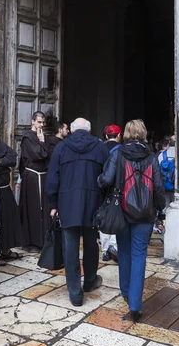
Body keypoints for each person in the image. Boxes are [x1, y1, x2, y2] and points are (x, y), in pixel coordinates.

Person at [98, 119, 165, 322]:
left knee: (124, 253)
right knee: (139, 255)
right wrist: (160, 210)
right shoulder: (151, 156)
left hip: (122, 211)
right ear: (143, 133)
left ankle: (126, 292)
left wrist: (98, 181)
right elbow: (159, 187)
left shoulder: (118, 153)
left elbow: (107, 179)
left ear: (125, 134)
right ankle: (135, 304)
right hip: (145, 214)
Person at [46, 118, 109, 307]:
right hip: (93, 201)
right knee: (91, 243)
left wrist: (53, 203)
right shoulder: (100, 147)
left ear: (72, 130)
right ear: (89, 130)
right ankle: (89, 281)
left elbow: (52, 179)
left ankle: (75, 292)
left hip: (67, 202)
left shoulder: (61, 147)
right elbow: (107, 177)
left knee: (70, 247)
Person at [0, 122, 24, 264]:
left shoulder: (2, 145)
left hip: (5, 190)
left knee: (7, 221)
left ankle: (5, 250)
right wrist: (3, 166)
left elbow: (13, 159)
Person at [19, 111, 50, 252]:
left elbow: (47, 156)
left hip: (42, 176)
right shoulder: (29, 137)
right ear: (32, 121)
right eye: (39, 122)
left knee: (43, 208)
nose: (41, 125)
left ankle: (43, 239)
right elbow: (39, 154)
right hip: (32, 177)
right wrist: (42, 142)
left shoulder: (42, 136)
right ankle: (32, 242)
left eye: (43, 122)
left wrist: (43, 141)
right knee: (33, 209)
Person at [100, 124, 123, 262]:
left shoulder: (99, 148)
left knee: (103, 216)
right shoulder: (121, 150)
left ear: (107, 136)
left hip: (103, 186)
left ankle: (104, 250)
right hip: (116, 188)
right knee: (115, 216)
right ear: (119, 135)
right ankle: (113, 246)